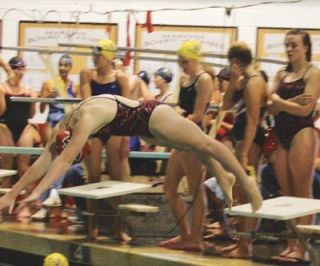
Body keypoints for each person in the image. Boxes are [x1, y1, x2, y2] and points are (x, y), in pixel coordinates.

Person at [0, 95, 263, 230]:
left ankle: (246, 182)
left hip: (151, 115)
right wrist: (13, 193)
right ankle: (223, 176)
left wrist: (36, 192)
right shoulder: (65, 123)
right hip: (141, 127)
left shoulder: (85, 121)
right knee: (190, 146)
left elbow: (63, 161)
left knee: (204, 143)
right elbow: (46, 160)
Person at [160, 40, 229, 252]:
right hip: (180, 137)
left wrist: (173, 122)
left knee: (195, 191)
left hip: (193, 139)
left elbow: (199, 115)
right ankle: (185, 234)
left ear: (195, 59)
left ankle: (196, 239)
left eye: (186, 61)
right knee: (169, 188)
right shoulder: (185, 78)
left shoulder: (204, 79)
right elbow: (182, 108)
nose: (182, 65)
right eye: (180, 62)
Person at [268, 29, 320, 263]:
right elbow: (269, 105)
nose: (289, 49)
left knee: (302, 192)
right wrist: (285, 102)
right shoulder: (280, 73)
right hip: (281, 133)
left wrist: (279, 102)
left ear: (306, 48)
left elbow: (305, 110)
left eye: (294, 45)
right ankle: (291, 243)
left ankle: (302, 246)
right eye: (287, 45)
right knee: (286, 194)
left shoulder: (313, 73)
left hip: (302, 132)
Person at [221, 42, 268, 259]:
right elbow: (225, 105)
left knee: (248, 189)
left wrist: (245, 151)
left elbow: (253, 120)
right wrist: (232, 81)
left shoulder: (254, 82)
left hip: (251, 142)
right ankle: (242, 240)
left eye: (231, 66)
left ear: (236, 63)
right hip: (243, 140)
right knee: (240, 191)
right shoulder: (244, 81)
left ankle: (245, 244)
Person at [31, 54, 85, 220]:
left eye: (65, 65)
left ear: (70, 68)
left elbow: (79, 109)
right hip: (52, 123)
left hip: (67, 123)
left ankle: (53, 198)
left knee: (62, 162)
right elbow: (40, 109)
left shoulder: (74, 86)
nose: (62, 68)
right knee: (50, 161)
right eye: (60, 65)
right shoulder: (48, 83)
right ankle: (48, 202)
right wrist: (48, 97)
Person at [80, 39, 131, 184]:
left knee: (116, 176)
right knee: (93, 176)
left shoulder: (120, 78)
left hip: (115, 128)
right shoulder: (88, 75)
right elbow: (87, 104)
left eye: (98, 56)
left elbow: (128, 109)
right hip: (95, 127)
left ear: (109, 57)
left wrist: (126, 139)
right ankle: (92, 208)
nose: (94, 59)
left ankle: (114, 207)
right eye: (93, 55)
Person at [0, 57, 40, 188]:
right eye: (17, 69)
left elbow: (31, 115)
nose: (20, 72)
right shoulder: (2, 87)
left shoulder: (28, 90)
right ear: (10, 70)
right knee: (7, 168)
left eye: (22, 69)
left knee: (24, 168)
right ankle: (3, 205)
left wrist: (33, 101)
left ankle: (25, 205)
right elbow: (1, 112)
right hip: (5, 127)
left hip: (24, 128)